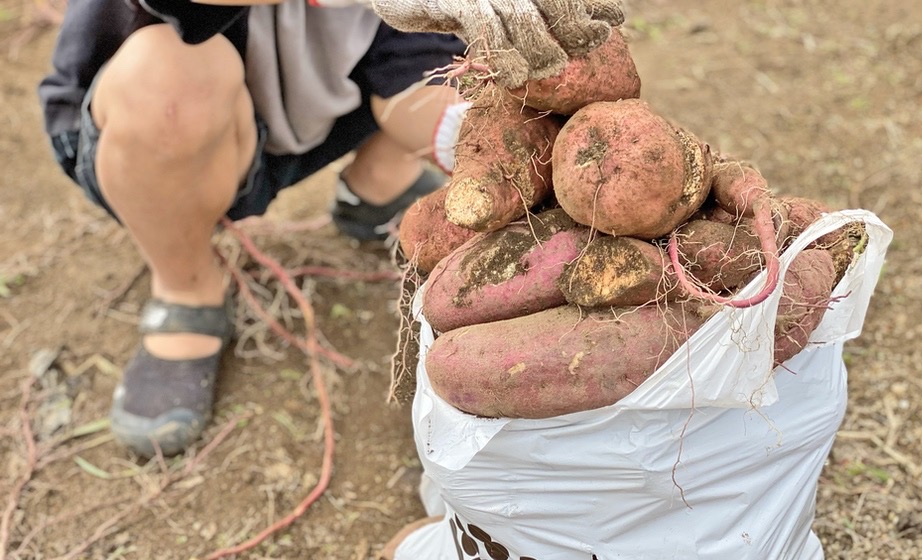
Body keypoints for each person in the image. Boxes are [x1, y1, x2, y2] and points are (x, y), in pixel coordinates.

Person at [37, 0, 624, 459]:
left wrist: (492, 151)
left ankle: (375, 190)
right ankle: (185, 286)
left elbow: (414, 76)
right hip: (152, 126)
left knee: (471, 57)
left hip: (316, 113)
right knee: (171, 82)